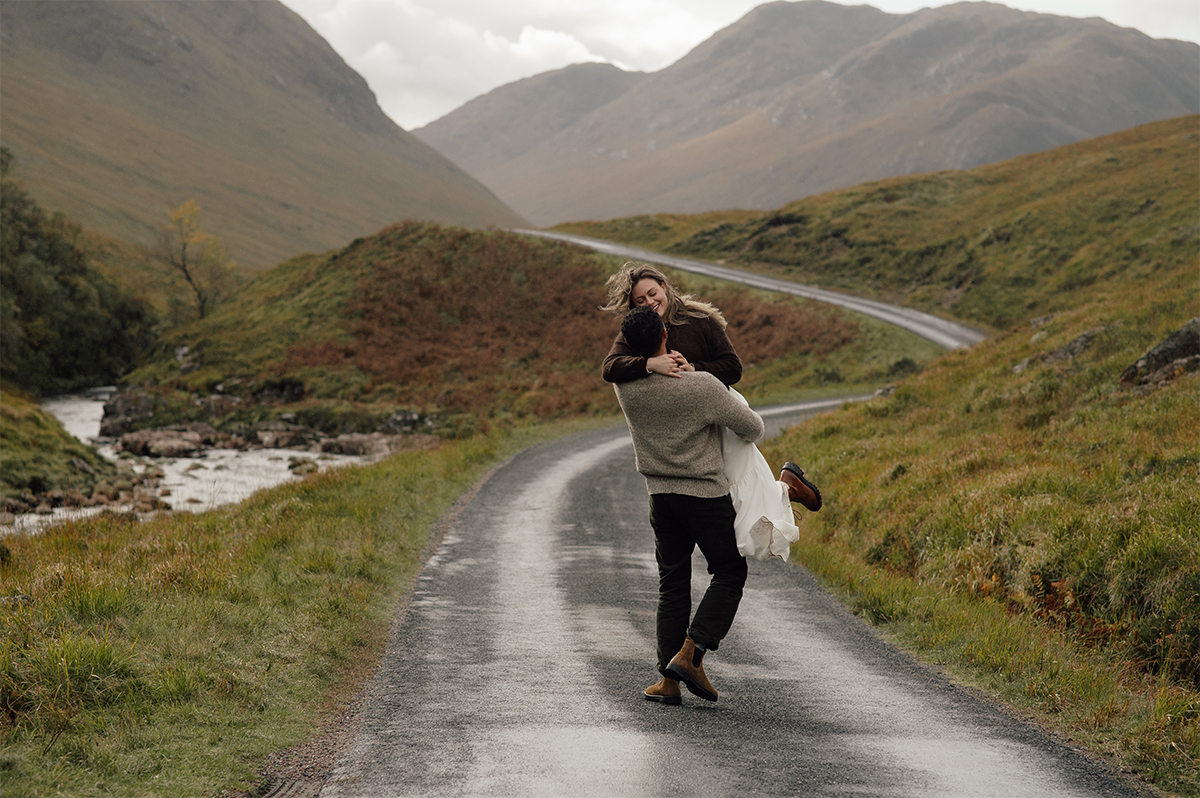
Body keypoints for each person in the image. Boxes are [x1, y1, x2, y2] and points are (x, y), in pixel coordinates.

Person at [613, 306, 764, 705]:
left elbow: (616, 366)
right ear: (666, 333)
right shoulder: (701, 386)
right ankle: (692, 652)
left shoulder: (626, 388)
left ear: (630, 346)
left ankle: (668, 681)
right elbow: (753, 428)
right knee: (730, 571)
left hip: (660, 498)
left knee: (673, 584)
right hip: (704, 497)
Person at [600, 262, 822, 523]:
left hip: (717, 412)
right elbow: (609, 368)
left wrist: (695, 369)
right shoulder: (637, 331)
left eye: (652, 293)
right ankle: (785, 489)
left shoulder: (699, 320)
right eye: (640, 300)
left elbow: (733, 368)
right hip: (682, 427)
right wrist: (648, 363)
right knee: (732, 499)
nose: (649, 302)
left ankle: (789, 489)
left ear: (664, 287)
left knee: (744, 488)